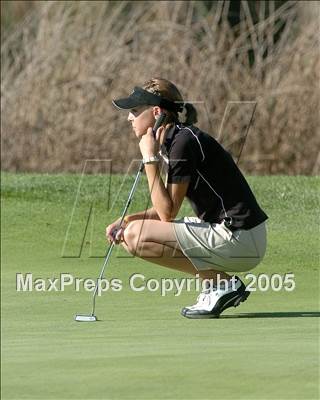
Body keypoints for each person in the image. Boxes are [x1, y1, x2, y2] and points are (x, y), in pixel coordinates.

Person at [106, 77, 268, 319]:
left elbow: (166, 215)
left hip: (240, 239)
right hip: (236, 235)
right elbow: (167, 208)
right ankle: (219, 285)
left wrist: (150, 159)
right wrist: (128, 218)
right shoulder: (176, 140)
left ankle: (220, 285)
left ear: (157, 112)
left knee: (135, 236)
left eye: (135, 111)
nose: (129, 117)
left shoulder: (182, 143)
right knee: (131, 233)